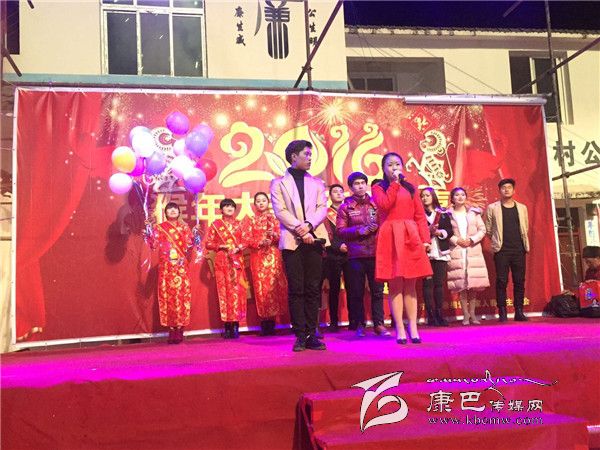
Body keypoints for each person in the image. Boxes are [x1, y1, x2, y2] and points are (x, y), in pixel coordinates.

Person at [270, 140, 329, 352]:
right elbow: (280, 211)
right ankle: (300, 335)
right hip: (292, 241)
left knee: (313, 288)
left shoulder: (317, 183)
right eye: (306, 154)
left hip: (315, 239)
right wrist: (301, 230)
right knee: (296, 289)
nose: (310, 158)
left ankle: (313, 333)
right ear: (293, 156)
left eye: (311, 154)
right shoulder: (278, 183)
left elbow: (322, 208)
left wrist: (309, 225)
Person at [372, 153, 432, 344]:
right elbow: (385, 204)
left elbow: (420, 216)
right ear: (383, 168)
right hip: (390, 236)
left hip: (410, 236)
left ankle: (413, 327)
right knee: (395, 285)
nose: (394, 167)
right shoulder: (378, 187)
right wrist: (395, 183)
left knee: (411, 286)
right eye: (390, 165)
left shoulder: (411, 188)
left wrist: (425, 239)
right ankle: (399, 327)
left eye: (397, 164)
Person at [337, 171, 388, 337]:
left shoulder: (376, 203)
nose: (360, 186)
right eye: (356, 184)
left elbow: (386, 223)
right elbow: (340, 230)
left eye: (362, 183)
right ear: (351, 188)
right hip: (355, 255)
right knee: (357, 292)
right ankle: (359, 324)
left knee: (377, 291)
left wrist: (378, 227)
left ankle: (379, 324)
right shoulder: (345, 207)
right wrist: (360, 230)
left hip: (376, 253)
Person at [145, 202, 194, 344]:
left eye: (175, 209)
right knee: (169, 297)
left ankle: (180, 328)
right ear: (165, 213)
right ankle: (172, 329)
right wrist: (149, 231)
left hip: (181, 268)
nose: (173, 211)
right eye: (170, 209)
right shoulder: (159, 228)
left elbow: (189, 244)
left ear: (179, 212)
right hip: (166, 268)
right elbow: (153, 245)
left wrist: (195, 236)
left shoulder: (184, 228)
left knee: (181, 296)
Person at [485, 178, 530, 322]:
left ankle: (519, 311)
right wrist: (497, 241)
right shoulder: (492, 208)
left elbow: (525, 227)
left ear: (513, 190)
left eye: (509, 187)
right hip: (501, 250)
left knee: (519, 281)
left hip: (519, 249)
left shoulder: (522, 208)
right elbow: (488, 229)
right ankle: (502, 312)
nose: (506, 190)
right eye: (504, 187)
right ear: (499, 190)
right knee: (501, 281)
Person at [244, 192, 287, 336]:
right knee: (260, 289)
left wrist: (274, 236)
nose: (261, 203)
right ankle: (264, 322)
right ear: (254, 204)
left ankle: (273, 322)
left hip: (273, 256)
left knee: (274, 288)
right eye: (258, 201)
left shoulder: (275, 219)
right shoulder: (251, 221)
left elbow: (283, 236)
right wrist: (260, 242)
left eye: (263, 200)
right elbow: (247, 239)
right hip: (258, 257)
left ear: (268, 202)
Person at [204, 198, 248, 339]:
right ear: (221, 209)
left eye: (232, 206)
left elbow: (246, 240)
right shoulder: (216, 225)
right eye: (226, 206)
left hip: (236, 260)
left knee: (237, 291)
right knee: (224, 292)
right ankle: (227, 325)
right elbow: (208, 243)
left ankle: (236, 325)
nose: (229, 208)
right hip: (222, 261)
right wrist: (220, 246)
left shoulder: (240, 224)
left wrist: (238, 248)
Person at [447, 187, 490, 325]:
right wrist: (456, 240)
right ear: (452, 198)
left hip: (472, 250)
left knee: (473, 285)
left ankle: (473, 314)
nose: (460, 197)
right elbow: (446, 232)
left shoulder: (473, 213)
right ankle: (465, 314)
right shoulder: (448, 214)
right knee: (462, 285)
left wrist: (472, 240)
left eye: (462, 195)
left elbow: (482, 230)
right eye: (457, 195)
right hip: (458, 251)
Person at [420, 187, 453, 327]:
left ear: (433, 196)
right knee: (427, 285)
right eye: (422, 196)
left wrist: (440, 233)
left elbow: (450, 231)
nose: (425, 198)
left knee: (439, 284)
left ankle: (440, 313)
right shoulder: (418, 215)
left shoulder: (443, 213)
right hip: (425, 252)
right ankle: (430, 315)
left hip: (440, 252)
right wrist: (428, 232)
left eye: (427, 195)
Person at [321, 184, 350, 333]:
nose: (338, 194)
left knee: (353, 288)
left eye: (341, 191)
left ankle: (355, 321)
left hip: (350, 254)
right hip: (333, 255)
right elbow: (324, 235)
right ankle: (333, 322)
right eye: (335, 192)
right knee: (334, 289)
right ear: (330, 196)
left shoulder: (349, 210)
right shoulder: (325, 214)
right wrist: (338, 246)